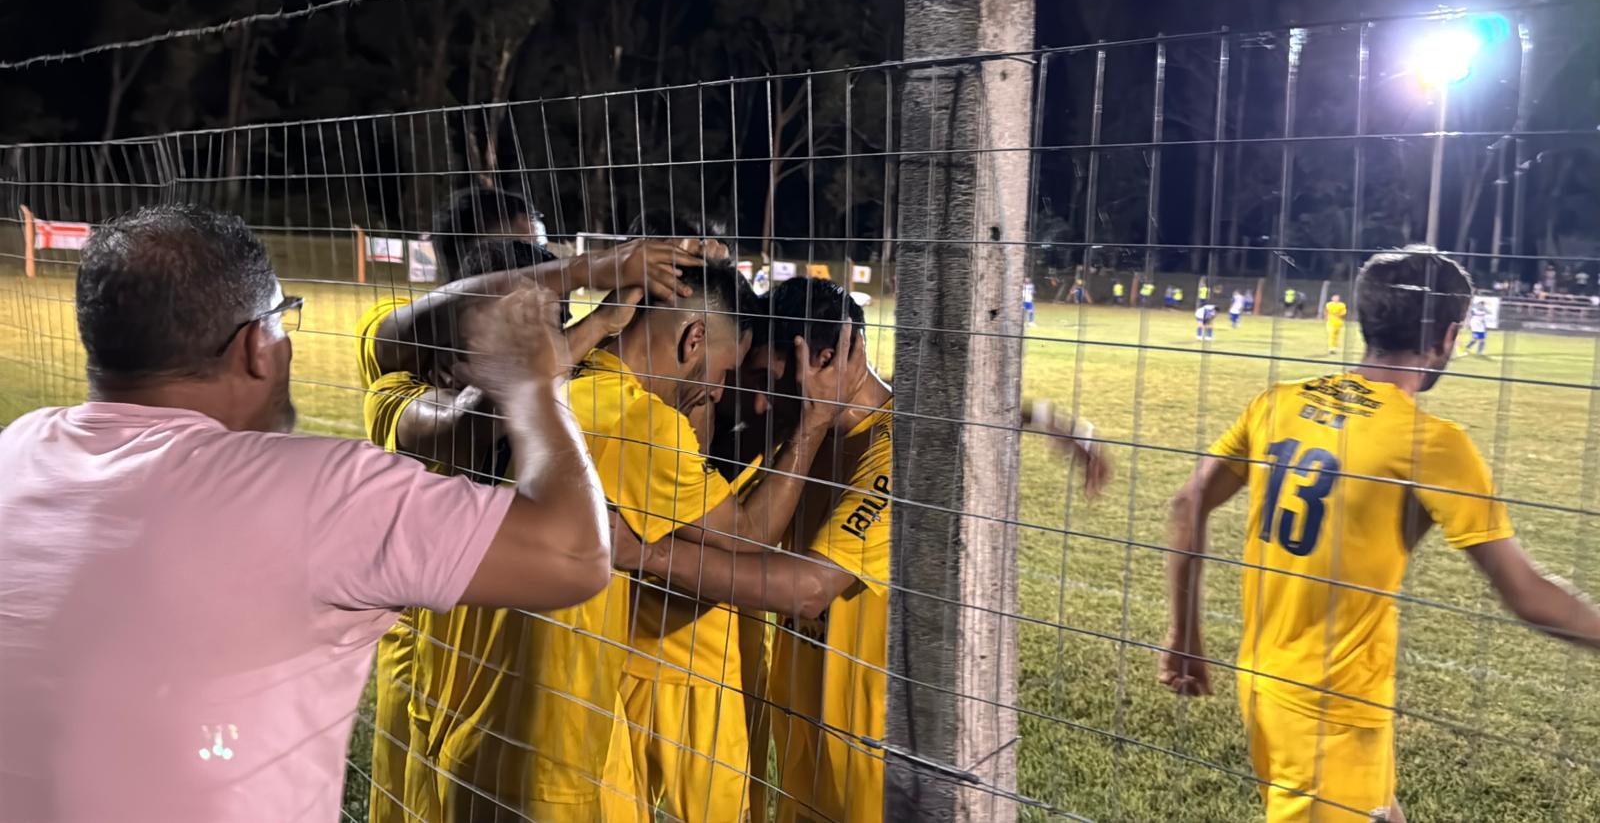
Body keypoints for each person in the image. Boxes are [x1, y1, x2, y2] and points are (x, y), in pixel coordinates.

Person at [0, 204, 615, 823]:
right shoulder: (320, 490)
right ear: (255, 346)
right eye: (282, 317)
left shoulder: (17, 450)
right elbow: (574, 557)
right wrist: (535, 385)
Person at [619, 278, 1109, 823]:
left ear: (825, 359)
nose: (754, 400)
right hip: (803, 726)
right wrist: (1036, 416)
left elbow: (807, 591)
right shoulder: (805, 430)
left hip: (870, 750)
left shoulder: (901, 452)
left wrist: (643, 554)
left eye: (765, 378)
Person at [1161, 245, 1600, 823]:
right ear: (1447, 337)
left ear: (1365, 320)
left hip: (1266, 681)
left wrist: (1185, 634)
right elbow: (1525, 592)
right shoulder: (1432, 444)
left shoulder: (1277, 404)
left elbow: (1189, 502)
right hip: (1332, 710)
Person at [360, 188, 706, 823]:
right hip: (435, 664)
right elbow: (455, 421)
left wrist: (594, 328)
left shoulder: (585, 384)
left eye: (544, 259)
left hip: (543, 699)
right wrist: (579, 286)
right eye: (525, 262)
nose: (544, 273)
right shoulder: (400, 377)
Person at [577, 262, 859, 823]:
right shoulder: (644, 421)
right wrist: (812, 426)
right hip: (660, 678)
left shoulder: (571, 372)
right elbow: (749, 539)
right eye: (732, 372)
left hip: (601, 669)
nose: (718, 393)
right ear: (693, 337)